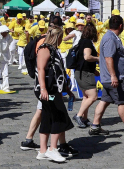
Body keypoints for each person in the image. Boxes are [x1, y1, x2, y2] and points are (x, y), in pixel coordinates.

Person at [88, 15, 124, 138]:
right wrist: (113, 76)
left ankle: (95, 126)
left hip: (112, 77)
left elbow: (119, 59)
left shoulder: (113, 37)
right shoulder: (110, 39)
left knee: (105, 100)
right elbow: (109, 58)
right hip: (113, 78)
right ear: (120, 26)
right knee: (122, 101)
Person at [35, 27, 77, 162]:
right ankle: (53, 148)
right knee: (59, 115)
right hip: (47, 90)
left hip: (53, 89)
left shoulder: (53, 50)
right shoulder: (45, 49)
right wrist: (43, 89)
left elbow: (58, 71)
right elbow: (41, 69)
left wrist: (67, 89)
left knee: (47, 116)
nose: (62, 40)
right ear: (57, 37)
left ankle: (43, 150)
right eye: (61, 37)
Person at [72, 23, 99, 128]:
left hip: (81, 71)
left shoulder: (81, 42)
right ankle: (79, 116)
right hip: (85, 73)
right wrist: (98, 59)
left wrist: (94, 70)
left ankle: (84, 118)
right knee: (93, 96)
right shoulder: (87, 42)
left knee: (86, 97)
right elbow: (87, 57)